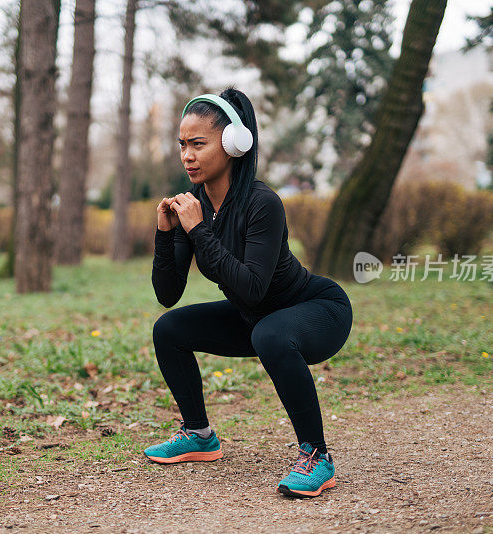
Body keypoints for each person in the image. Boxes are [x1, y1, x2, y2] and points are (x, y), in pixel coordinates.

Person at [144, 86, 353, 498]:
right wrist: (166, 234)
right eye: (182, 145)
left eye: (198, 144)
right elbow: (168, 293)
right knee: (169, 328)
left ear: (232, 144)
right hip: (255, 319)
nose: (187, 155)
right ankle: (199, 435)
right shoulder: (196, 206)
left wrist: (199, 230)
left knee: (270, 333)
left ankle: (317, 457)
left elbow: (253, 288)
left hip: (317, 310)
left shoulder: (263, 203)